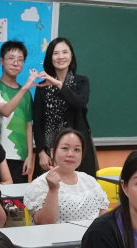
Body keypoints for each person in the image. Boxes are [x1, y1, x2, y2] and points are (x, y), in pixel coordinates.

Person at [31, 38, 98, 178]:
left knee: (79, 186)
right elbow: (37, 123)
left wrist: (58, 84)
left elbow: (80, 102)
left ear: (71, 55)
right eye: (56, 53)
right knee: (47, 187)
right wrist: (41, 152)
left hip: (77, 149)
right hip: (49, 151)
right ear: (50, 57)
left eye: (65, 52)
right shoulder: (42, 87)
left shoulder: (81, 82)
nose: (60, 57)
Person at [23, 128, 109, 224]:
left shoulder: (89, 181)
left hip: (92, 233)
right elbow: (44, 224)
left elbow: (103, 215)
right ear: (52, 152)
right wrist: (53, 189)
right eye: (65, 148)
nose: (71, 154)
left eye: (77, 149)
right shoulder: (40, 184)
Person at [0, 41, 38, 183]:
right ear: (1, 61)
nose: (16, 63)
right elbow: (6, 111)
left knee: (19, 195)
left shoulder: (26, 94)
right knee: (0, 193)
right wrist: (24, 89)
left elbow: (28, 125)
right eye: (11, 58)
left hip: (20, 156)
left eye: (20, 60)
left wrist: (29, 156)